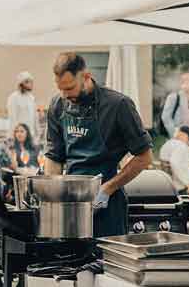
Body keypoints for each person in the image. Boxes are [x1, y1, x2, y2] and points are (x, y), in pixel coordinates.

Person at [44, 53, 153, 237]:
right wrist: (53, 195)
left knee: (104, 261)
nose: (64, 95)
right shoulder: (57, 105)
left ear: (86, 77)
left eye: (70, 88)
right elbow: (54, 156)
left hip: (107, 203)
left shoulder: (118, 105)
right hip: (72, 204)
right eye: (60, 88)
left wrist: (107, 188)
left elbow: (144, 158)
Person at [161, 72, 189, 137]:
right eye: (185, 81)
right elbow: (165, 117)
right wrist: (175, 133)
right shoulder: (173, 97)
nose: (188, 83)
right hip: (178, 134)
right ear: (181, 83)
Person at [6, 71, 37, 140]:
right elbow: (13, 119)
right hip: (18, 136)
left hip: (30, 136)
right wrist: (14, 136)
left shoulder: (31, 98)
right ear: (22, 83)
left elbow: (34, 119)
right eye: (28, 82)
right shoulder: (13, 98)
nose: (31, 84)